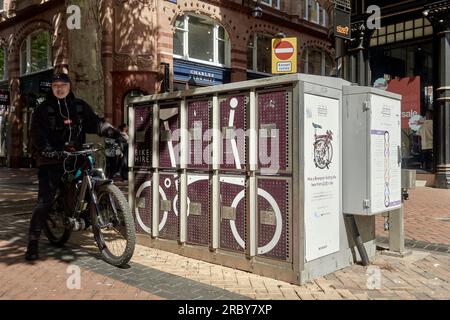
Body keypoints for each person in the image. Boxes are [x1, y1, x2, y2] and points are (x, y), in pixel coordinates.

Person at [25, 73, 124, 261]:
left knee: (91, 180)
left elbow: (95, 123)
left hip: (76, 157)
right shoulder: (43, 110)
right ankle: (33, 242)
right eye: (55, 85)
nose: (59, 88)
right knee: (45, 201)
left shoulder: (79, 107)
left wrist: (113, 133)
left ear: (69, 86)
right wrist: (48, 150)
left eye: (63, 85)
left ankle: (86, 215)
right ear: (52, 88)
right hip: (52, 159)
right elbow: (37, 136)